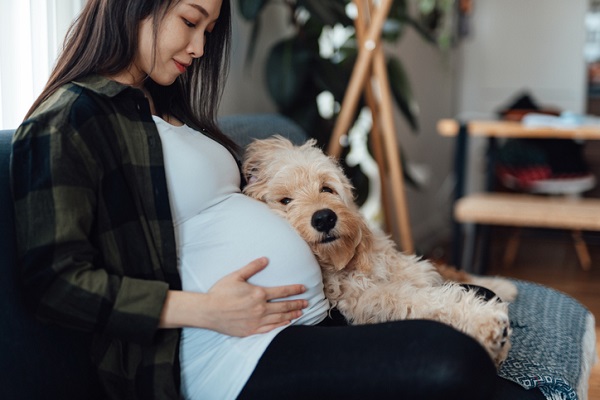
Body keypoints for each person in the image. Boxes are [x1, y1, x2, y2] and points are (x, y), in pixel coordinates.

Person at [10, 0, 545, 399]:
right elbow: (54, 283)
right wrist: (205, 310)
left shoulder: (159, 106)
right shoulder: (67, 120)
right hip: (226, 353)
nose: (198, 47)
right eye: (190, 22)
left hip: (308, 320)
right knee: (452, 360)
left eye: (208, 30)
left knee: (485, 327)